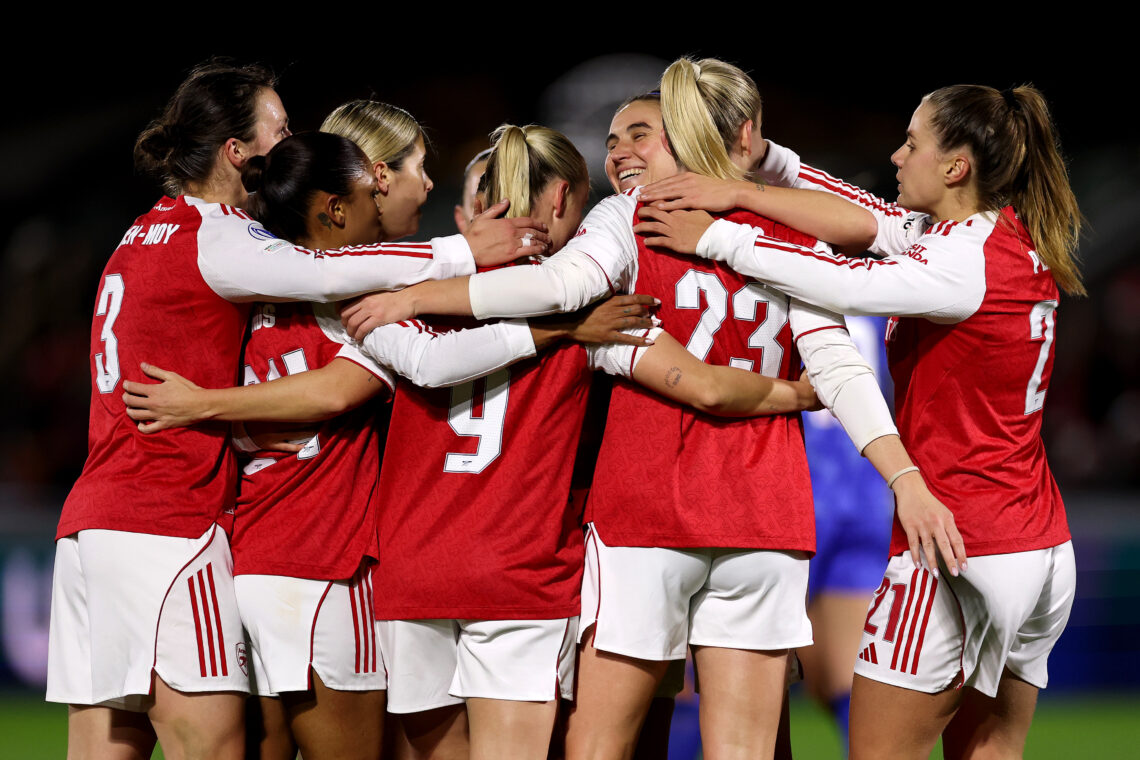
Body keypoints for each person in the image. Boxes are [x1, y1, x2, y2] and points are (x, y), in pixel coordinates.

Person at [341, 59, 958, 760]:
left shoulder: (628, 219)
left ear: (687, 134)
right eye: (612, 140)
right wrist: (900, 475)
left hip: (647, 512)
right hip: (763, 512)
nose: (619, 152)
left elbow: (557, 285)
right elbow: (840, 366)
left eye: (640, 132)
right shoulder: (793, 229)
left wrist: (418, 294)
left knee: (600, 744)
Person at [45, 60, 551, 760]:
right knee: (217, 746)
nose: (289, 143)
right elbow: (331, 284)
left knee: (108, 742)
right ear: (236, 153)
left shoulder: (144, 232)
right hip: (181, 522)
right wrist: (467, 259)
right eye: (278, 130)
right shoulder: (222, 239)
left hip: (106, 519)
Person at [639, 83, 1080, 760]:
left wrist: (720, 234)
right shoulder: (998, 239)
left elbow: (841, 281)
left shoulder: (958, 263)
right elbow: (867, 214)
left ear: (955, 167)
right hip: (1039, 546)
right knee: (989, 750)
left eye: (913, 142)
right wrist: (768, 168)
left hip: (957, 541)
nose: (897, 155)